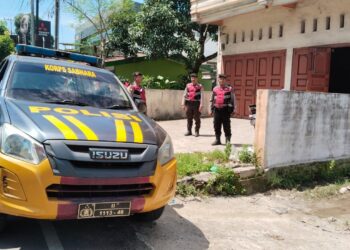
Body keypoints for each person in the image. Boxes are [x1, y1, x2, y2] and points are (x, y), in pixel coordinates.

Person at [210, 74, 235, 145]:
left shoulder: (230, 89)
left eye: (223, 79)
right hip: (216, 110)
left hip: (225, 110)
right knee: (216, 125)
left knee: (226, 125)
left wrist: (234, 109)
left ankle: (228, 141)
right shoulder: (215, 89)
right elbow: (211, 99)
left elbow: (233, 100)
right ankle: (217, 140)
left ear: (225, 80)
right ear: (218, 80)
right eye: (220, 79)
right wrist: (210, 109)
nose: (221, 80)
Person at [181, 73, 203, 137]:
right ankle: (189, 131)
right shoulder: (188, 85)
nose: (193, 79)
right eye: (192, 78)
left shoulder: (200, 86)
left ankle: (197, 131)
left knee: (197, 118)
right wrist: (183, 103)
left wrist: (201, 104)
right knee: (189, 118)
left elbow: (202, 96)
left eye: (194, 78)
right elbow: (184, 95)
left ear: (196, 79)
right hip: (189, 103)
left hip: (197, 104)